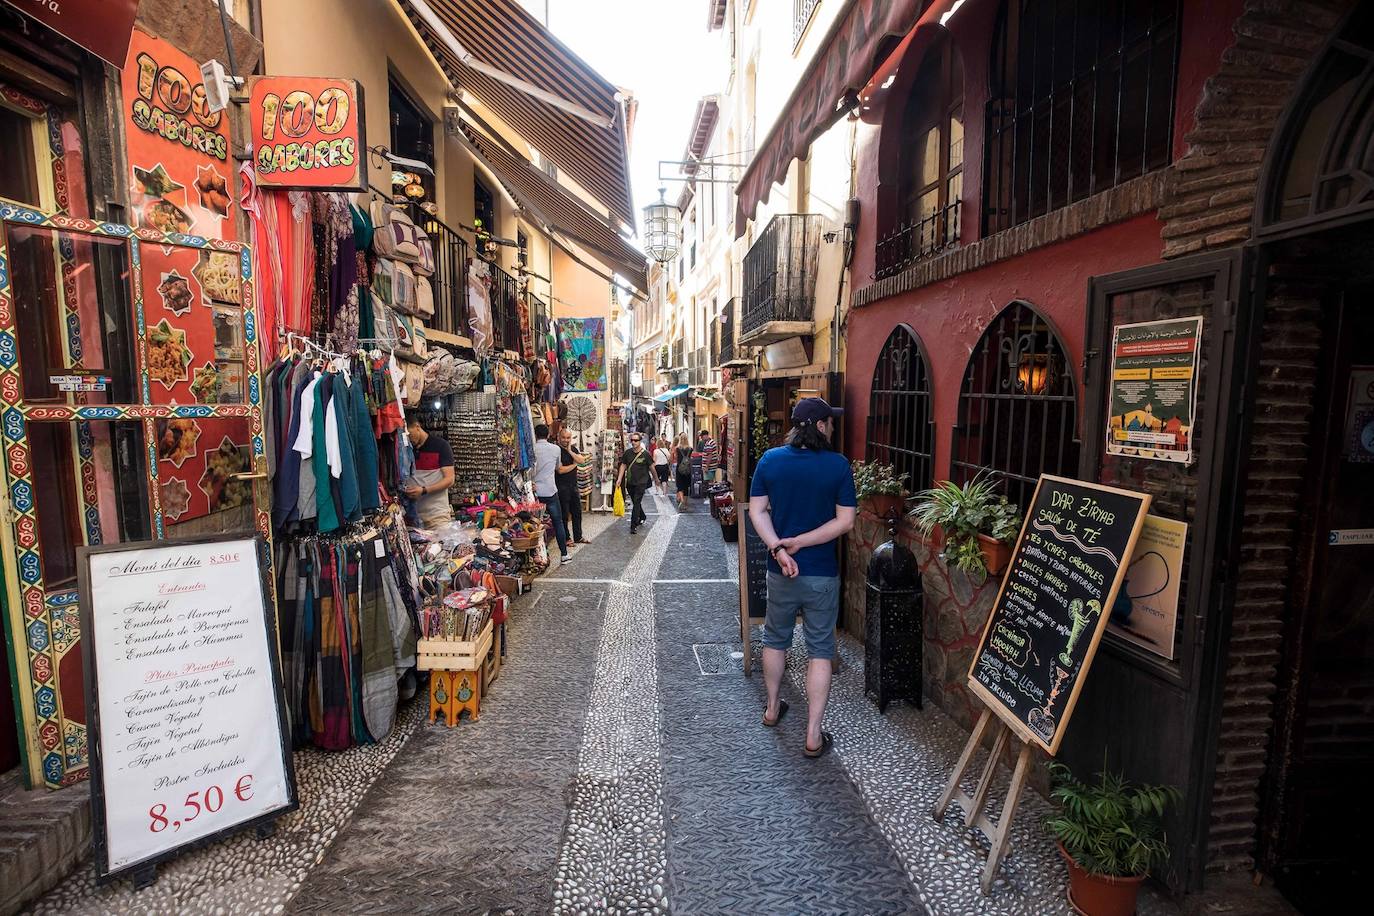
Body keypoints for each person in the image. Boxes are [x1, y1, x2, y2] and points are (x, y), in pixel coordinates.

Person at [747, 397, 856, 759]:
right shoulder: (838, 466)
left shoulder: (770, 460)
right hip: (821, 572)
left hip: (781, 571)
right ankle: (812, 734)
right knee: (820, 650)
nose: (834, 427)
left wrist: (779, 548)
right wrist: (801, 543)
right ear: (822, 426)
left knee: (775, 639)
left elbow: (757, 511)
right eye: (831, 422)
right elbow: (845, 522)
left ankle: (773, 708)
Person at [403, 416, 455, 528]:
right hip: (412, 516)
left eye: (409, 434)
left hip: (436, 516)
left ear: (417, 427)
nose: (408, 438)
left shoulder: (441, 446)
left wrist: (424, 490)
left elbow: (449, 480)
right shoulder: (405, 449)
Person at [533, 424, 570, 565]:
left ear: (535, 435)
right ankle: (564, 555)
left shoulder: (532, 449)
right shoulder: (556, 449)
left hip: (535, 492)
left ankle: (539, 556)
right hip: (550, 490)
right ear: (548, 435)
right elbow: (557, 467)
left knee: (535, 525)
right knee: (558, 522)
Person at [556, 428, 591, 545]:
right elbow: (560, 470)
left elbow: (581, 460)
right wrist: (573, 465)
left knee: (577, 512)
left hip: (573, 486)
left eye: (568, 438)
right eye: (563, 438)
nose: (566, 440)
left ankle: (578, 536)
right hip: (561, 487)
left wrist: (570, 451)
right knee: (564, 514)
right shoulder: (556, 451)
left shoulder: (573, 449)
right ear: (558, 438)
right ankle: (566, 538)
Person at [615, 432, 653, 533]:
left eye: (635, 440)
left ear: (640, 441)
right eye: (632, 440)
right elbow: (623, 465)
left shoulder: (646, 454)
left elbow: (651, 467)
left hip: (641, 483)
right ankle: (643, 516)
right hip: (630, 482)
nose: (633, 442)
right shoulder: (627, 453)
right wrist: (619, 478)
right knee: (636, 502)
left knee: (636, 503)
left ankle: (633, 525)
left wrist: (657, 479)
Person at [672, 432, 692, 511]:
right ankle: (685, 504)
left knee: (680, 486)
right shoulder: (690, 449)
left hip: (679, 469)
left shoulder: (677, 448)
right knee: (686, 486)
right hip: (687, 469)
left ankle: (682, 500)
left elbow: (676, 457)